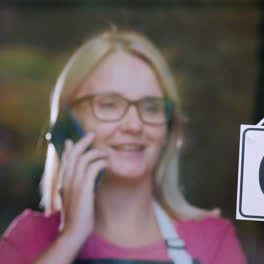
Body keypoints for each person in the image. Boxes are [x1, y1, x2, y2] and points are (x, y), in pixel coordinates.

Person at [0, 30, 247, 264]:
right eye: (109, 104)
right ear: (69, 124)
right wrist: (70, 238)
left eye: (150, 106)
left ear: (167, 129)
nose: (134, 125)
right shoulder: (30, 237)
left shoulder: (212, 241)